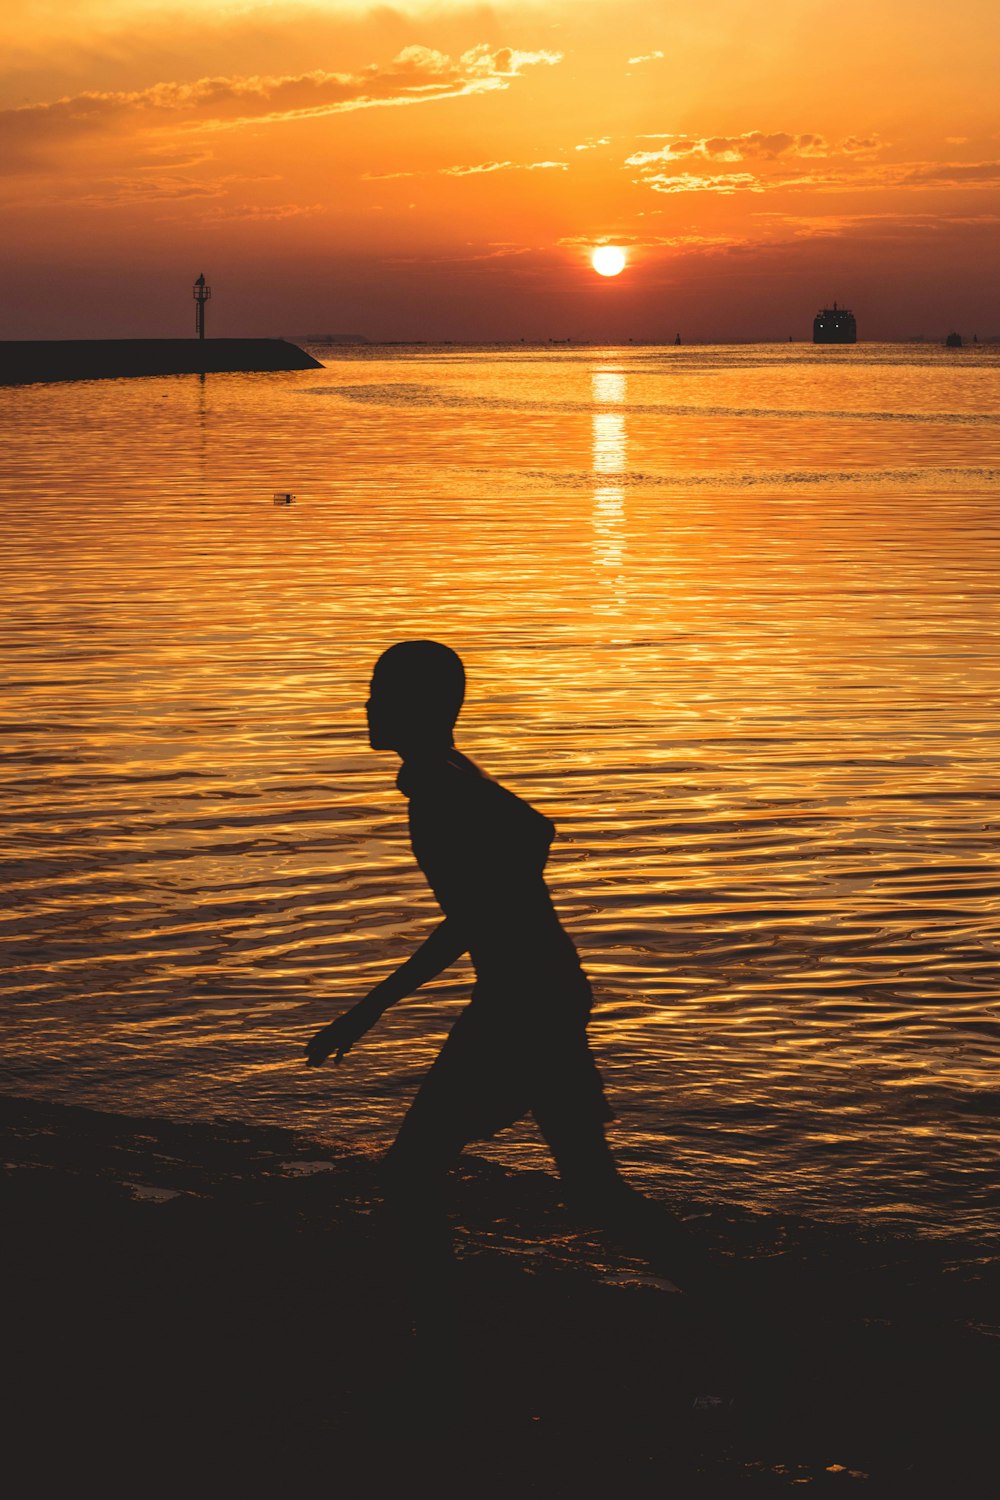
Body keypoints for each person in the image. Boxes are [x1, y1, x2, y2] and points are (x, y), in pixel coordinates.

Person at [305, 640, 691, 1340]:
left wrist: (367, 1010)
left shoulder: (438, 788)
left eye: (380, 694)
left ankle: (434, 1340)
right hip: (544, 989)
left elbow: (482, 902)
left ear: (420, 708)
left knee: (410, 1173)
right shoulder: (444, 774)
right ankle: (734, 1303)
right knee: (589, 1188)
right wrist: (503, 902)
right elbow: (531, 838)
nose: (366, 706)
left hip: (522, 1004)